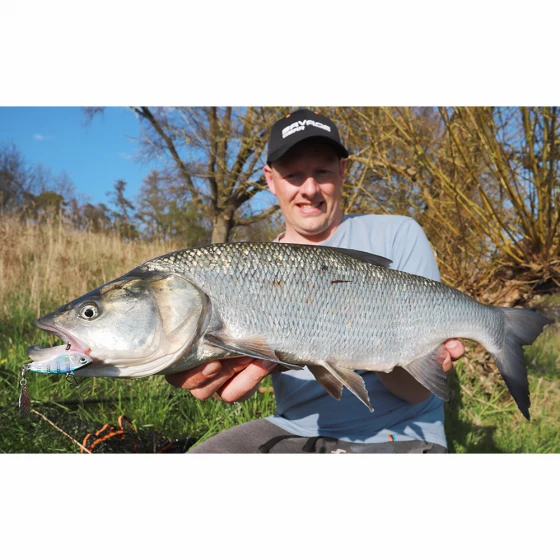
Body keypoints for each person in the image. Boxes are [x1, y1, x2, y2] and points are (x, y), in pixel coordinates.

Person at [165, 109, 465, 453]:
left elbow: (415, 392)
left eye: (322, 171)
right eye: (293, 174)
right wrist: (214, 368)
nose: (309, 189)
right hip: (293, 430)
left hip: (397, 431)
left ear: (342, 171)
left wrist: (376, 336)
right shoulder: (248, 269)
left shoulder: (399, 234)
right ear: (270, 179)